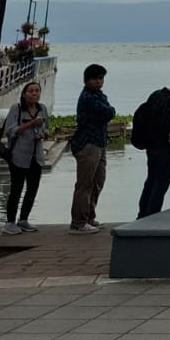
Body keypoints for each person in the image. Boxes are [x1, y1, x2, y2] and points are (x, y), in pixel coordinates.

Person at [136, 75, 170, 219]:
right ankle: (152, 217)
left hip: (150, 148)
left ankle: (142, 215)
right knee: (160, 186)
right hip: (164, 150)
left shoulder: (155, 96)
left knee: (150, 181)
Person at [69, 63, 115, 234]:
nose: (99, 82)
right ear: (87, 80)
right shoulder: (88, 98)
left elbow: (108, 111)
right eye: (95, 79)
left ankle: (89, 217)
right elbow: (108, 113)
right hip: (87, 143)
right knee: (85, 184)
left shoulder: (99, 95)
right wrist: (110, 111)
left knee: (98, 181)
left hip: (100, 143)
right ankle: (78, 223)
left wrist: (109, 111)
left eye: (101, 78)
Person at [2, 80, 48, 234]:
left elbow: (46, 127)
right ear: (24, 93)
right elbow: (11, 131)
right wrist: (31, 123)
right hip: (18, 156)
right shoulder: (17, 109)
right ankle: (9, 222)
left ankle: (23, 220)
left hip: (37, 156)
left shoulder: (42, 109)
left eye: (37, 91)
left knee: (32, 189)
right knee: (16, 189)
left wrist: (43, 133)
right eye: (31, 91)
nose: (34, 94)